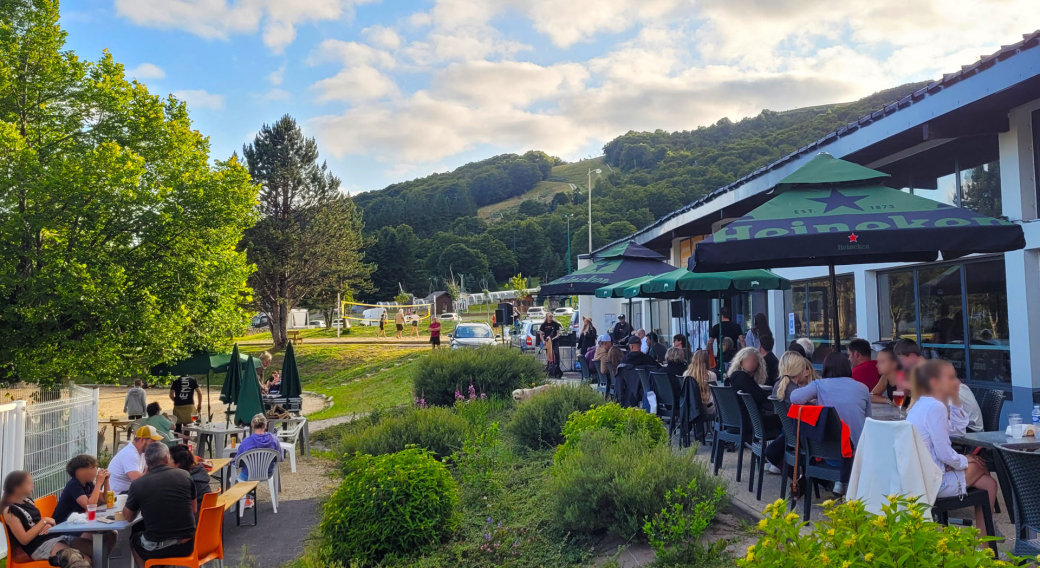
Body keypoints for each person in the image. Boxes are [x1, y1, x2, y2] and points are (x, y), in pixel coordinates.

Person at [906, 359, 997, 535]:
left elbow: (957, 429)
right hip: (934, 484)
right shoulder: (935, 407)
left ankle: (986, 537)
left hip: (919, 478)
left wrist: (955, 399)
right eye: (951, 378)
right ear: (935, 383)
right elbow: (944, 453)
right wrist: (964, 460)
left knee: (989, 484)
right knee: (980, 464)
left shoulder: (922, 404)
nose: (957, 382)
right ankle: (984, 542)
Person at [123, 443, 197, 567]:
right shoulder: (184, 475)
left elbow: (129, 517)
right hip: (188, 544)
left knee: (135, 540)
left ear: (146, 462)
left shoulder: (138, 484)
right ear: (166, 458)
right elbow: (193, 509)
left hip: (159, 547)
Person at [3, 470, 93, 567]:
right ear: (17, 487)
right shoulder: (10, 510)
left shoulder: (27, 501)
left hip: (55, 537)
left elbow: (41, 523)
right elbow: (24, 539)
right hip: (40, 546)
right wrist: (44, 521)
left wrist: (48, 523)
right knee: (80, 561)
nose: (33, 485)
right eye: (29, 483)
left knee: (94, 549)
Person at [791, 352, 872, 447]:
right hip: (858, 448)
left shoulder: (819, 385)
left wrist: (812, 404)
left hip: (827, 449)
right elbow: (868, 420)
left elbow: (794, 397)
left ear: (825, 368)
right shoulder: (863, 388)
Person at [764, 351, 817, 473]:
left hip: (789, 435)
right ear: (801, 370)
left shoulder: (779, 386)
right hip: (804, 439)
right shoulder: (795, 393)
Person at [53, 455, 109, 524]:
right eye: (92, 468)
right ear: (79, 471)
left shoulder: (88, 483)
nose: (96, 470)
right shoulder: (73, 485)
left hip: (79, 521)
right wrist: (98, 483)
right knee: (89, 534)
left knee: (111, 533)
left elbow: (106, 499)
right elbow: (89, 506)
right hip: (64, 524)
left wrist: (106, 481)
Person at [109, 426, 164, 494]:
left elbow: (146, 473)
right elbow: (138, 481)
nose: (154, 445)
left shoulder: (142, 452)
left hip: (128, 492)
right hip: (117, 495)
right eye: (152, 442)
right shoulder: (130, 453)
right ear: (142, 440)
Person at [235, 414, 283, 481]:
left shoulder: (245, 442)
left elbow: (237, 463)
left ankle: (246, 490)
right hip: (267, 474)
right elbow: (279, 458)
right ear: (265, 426)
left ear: (252, 426)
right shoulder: (274, 440)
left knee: (234, 479)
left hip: (248, 475)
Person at [169, 445, 211, 510]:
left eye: (169, 459)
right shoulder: (199, 472)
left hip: (195, 517)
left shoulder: (185, 482)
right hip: (208, 515)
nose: (166, 463)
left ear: (178, 464)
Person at [683, 349, 717, 416]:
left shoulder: (686, 374)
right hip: (708, 407)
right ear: (707, 360)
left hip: (691, 406)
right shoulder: (711, 375)